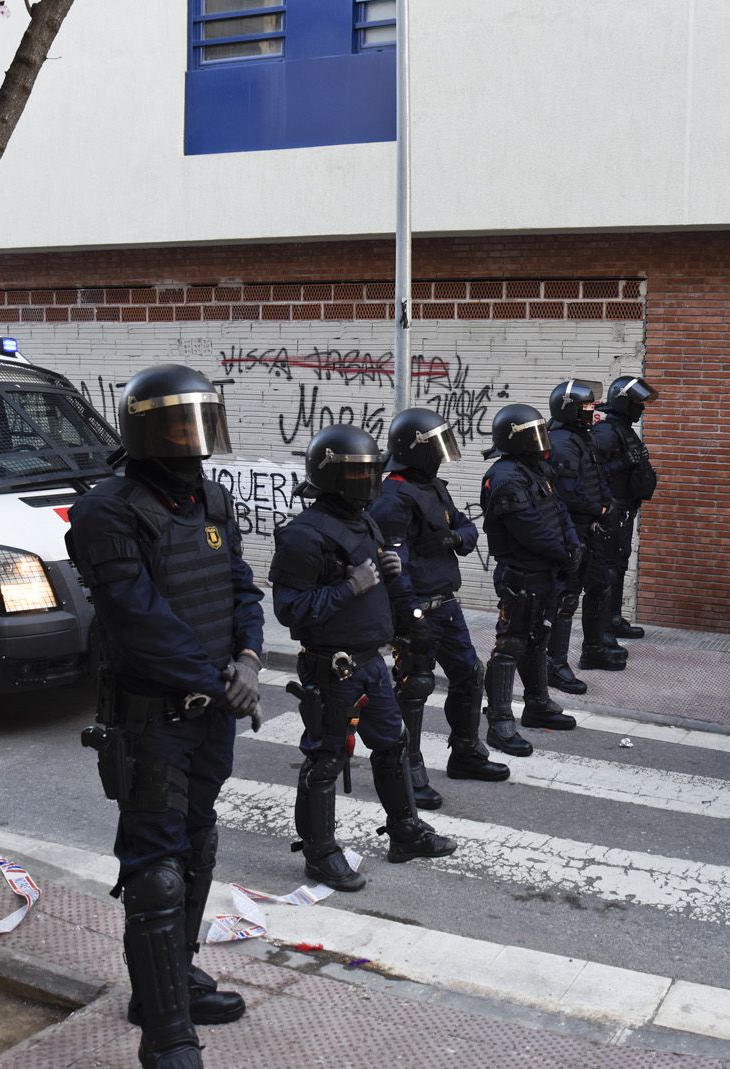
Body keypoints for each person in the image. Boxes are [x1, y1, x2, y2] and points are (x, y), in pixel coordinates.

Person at [66, 364, 264, 1068]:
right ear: (146, 432)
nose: (192, 440)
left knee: (199, 843)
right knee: (155, 867)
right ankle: (166, 1037)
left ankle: (170, 985)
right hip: (151, 720)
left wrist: (247, 660)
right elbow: (138, 619)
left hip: (213, 715)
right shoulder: (107, 511)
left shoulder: (211, 500)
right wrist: (217, 676)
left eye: (199, 422)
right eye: (177, 425)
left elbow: (242, 587)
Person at [271, 424, 456, 898]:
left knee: (392, 743)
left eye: (372, 472)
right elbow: (290, 610)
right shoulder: (303, 536)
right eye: (359, 474)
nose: (369, 482)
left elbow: (384, 580)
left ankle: (404, 832)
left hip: (371, 662)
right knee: (326, 758)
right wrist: (349, 587)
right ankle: (320, 852)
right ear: (334, 476)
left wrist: (402, 602)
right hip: (332, 666)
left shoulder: (365, 521)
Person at [369, 408, 509, 811]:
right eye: (433, 448)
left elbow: (468, 530)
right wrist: (410, 616)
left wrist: (448, 540)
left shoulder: (432, 487)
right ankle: (408, 768)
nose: (440, 456)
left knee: (469, 673)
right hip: (417, 607)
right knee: (414, 687)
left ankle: (465, 752)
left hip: (445, 602)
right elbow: (393, 567)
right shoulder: (392, 496)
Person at [481, 403, 584, 751]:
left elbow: (559, 511)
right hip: (521, 574)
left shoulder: (536, 470)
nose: (542, 441)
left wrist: (573, 546)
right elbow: (530, 529)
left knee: (538, 638)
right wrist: (562, 553)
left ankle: (537, 704)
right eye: (533, 435)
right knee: (511, 643)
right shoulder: (506, 476)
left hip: (546, 572)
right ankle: (499, 720)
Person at [545, 379, 627, 688]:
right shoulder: (563, 442)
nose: (591, 412)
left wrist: (607, 504)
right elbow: (570, 492)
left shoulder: (581, 438)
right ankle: (554, 664)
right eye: (584, 408)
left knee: (599, 585)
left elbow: (596, 476)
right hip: (575, 531)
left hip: (591, 529)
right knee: (566, 599)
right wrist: (601, 510)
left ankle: (593, 648)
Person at [590, 376, 659, 640]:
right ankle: (604, 627)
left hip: (624, 509)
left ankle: (614, 618)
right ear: (621, 403)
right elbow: (593, 475)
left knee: (618, 565)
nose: (641, 409)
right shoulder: (606, 432)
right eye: (636, 403)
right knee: (608, 568)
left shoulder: (621, 428)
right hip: (611, 511)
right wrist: (623, 463)